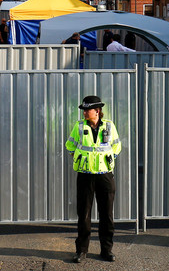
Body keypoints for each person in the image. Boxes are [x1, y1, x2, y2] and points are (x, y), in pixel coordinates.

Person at [65, 95, 122, 263]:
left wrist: (108, 159)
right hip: (85, 176)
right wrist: (81, 159)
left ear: (97, 111)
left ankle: (106, 251)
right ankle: (81, 251)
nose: (84, 113)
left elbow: (117, 146)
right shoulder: (79, 126)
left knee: (107, 215)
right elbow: (70, 145)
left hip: (105, 176)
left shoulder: (109, 126)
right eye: (83, 110)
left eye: (87, 110)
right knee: (84, 215)